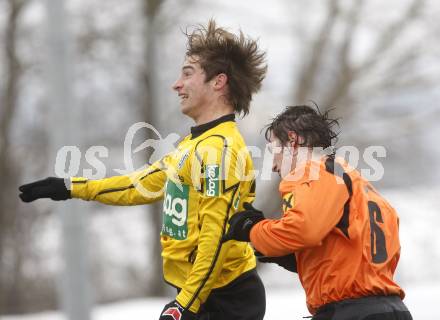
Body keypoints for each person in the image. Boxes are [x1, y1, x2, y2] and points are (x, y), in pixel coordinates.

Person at [19, 20, 267, 320]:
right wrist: (71, 187)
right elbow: (139, 185)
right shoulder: (194, 145)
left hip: (224, 299)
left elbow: (213, 241)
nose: (176, 84)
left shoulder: (219, 151)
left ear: (218, 82)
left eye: (187, 74)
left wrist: (184, 306)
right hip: (200, 294)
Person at [223, 105, 413, 320]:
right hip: (392, 310)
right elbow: (351, 257)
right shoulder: (359, 185)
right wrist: (290, 255)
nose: (274, 166)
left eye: (273, 150)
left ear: (293, 141)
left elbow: (303, 229)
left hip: (350, 313)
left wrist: (252, 230)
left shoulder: (313, 172)